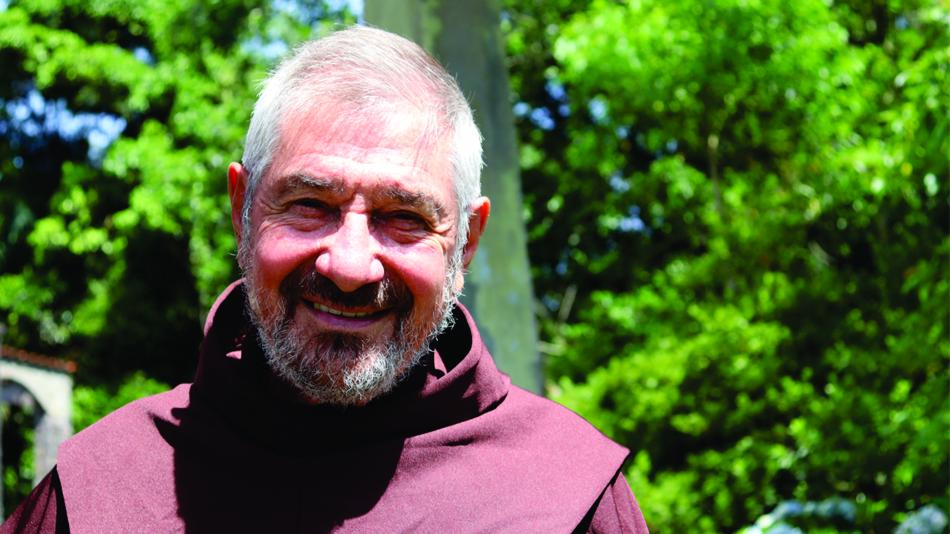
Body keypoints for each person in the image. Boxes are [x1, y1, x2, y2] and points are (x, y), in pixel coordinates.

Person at [2, 26, 649, 533]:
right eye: (310, 204)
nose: (349, 266)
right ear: (242, 209)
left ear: (467, 243)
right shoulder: (103, 491)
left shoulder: (567, 500)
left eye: (404, 217)